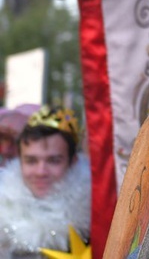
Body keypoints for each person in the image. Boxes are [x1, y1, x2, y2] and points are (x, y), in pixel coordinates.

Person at [0, 106, 91, 258]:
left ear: (73, 162)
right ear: (19, 161)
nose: (41, 172)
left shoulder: (93, 218)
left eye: (53, 161)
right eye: (31, 161)